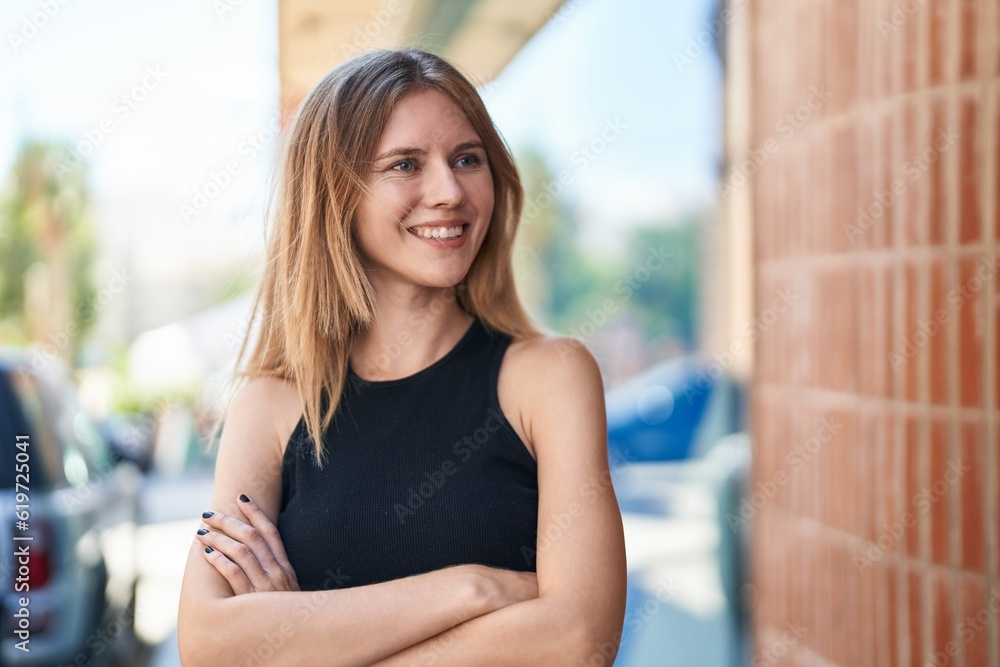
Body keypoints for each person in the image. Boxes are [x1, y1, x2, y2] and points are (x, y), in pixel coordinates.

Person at [176, 48, 626, 666]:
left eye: (468, 159)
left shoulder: (549, 378)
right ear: (336, 196)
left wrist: (304, 642)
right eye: (405, 164)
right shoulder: (272, 404)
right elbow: (210, 646)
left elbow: (580, 642)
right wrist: (475, 588)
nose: (449, 191)